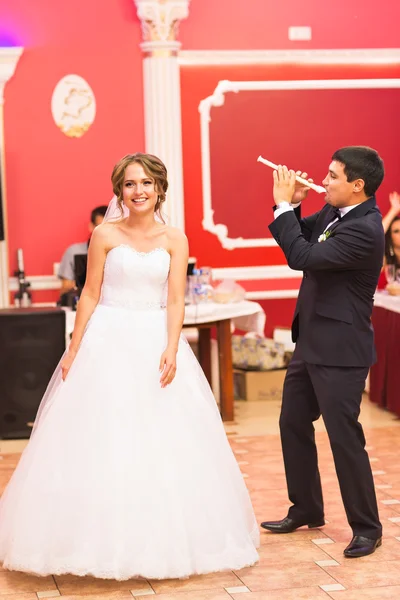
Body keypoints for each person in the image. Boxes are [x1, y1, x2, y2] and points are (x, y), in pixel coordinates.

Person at [0, 153, 259, 580]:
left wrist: (173, 347)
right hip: (106, 336)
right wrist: (74, 344)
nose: (138, 191)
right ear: (119, 190)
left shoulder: (175, 239)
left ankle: (158, 541)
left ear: (159, 188)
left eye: (145, 183)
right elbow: (89, 294)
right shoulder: (104, 234)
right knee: (100, 433)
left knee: (160, 436)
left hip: (153, 338)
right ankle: (87, 541)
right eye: (129, 184)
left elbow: (175, 299)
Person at [261, 146, 384, 559]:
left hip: (341, 351)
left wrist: (281, 203)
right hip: (310, 342)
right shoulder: (336, 212)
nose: (323, 181)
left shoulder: (366, 228)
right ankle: (306, 507)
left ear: (357, 185)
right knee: (292, 422)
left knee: (344, 438)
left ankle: (367, 527)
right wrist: (293, 207)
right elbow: (300, 234)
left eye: (332, 176)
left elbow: (302, 257)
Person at [58, 205, 108, 295]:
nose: (104, 232)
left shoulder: (120, 252)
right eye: (99, 228)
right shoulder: (74, 251)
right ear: (91, 226)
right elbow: (64, 290)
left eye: (108, 228)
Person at [377, 192, 400, 289]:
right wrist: (393, 211)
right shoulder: (384, 258)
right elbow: (376, 234)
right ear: (390, 237)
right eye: (397, 231)